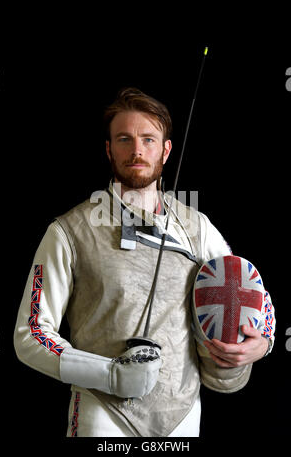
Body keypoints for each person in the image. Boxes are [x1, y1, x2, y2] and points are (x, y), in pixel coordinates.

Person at [14, 88, 275, 437]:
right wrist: (109, 374)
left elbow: (248, 288)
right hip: (102, 411)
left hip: (181, 413)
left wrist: (264, 340)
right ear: (108, 148)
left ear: (166, 151)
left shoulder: (197, 227)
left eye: (149, 140)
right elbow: (30, 334)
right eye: (124, 139)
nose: (137, 150)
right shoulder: (70, 231)